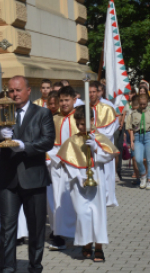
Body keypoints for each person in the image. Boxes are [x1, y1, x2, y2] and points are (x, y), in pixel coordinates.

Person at [0, 75, 55, 273]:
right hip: (8, 179)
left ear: (28, 91)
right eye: (11, 90)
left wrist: (25, 146)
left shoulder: (42, 113)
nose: (14, 94)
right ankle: (7, 269)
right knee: (7, 228)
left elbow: (48, 141)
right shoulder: (1, 112)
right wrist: (0, 134)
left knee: (36, 228)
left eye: (18, 90)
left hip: (34, 178)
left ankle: (35, 267)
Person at [57, 106, 119, 262]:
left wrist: (97, 149)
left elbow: (110, 156)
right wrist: (78, 176)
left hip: (97, 178)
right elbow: (67, 163)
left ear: (92, 121)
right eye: (78, 124)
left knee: (98, 214)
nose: (80, 127)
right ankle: (86, 242)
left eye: (84, 124)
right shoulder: (73, 140)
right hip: (78, 182)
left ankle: (98, 247)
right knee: (83, 213)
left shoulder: (99, 137)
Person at [47, 86, 79, 251]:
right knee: (55, 200)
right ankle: (57, 234)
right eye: (61, 100)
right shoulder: (54, 119)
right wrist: (54, 156)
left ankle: (78, 233)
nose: (64, 103)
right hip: (57, 164)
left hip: (75, 165)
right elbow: (50, 142)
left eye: (67, 100)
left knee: (74, 200)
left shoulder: (79, 118)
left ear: (74, 99)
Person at [89, 82, 119, 207]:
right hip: (90, 144)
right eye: (89, 92)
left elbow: (112, 127)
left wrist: (96, 134)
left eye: (93, 92)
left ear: (98, 93)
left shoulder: (107, 108)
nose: (91, 94)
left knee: (107, 172)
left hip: (104, 144)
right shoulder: (84, 108)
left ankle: (108, 198)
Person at [127, 94, 150, 190]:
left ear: (147, 102)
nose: (142, 106)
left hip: (149, 135)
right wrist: (132, 141)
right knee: (138, 159)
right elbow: (131, 128)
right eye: (141, 104)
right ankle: (143, 175)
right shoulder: (134, 113)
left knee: (149, 159)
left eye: (144, 104)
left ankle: (149, 180)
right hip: (138, 137)